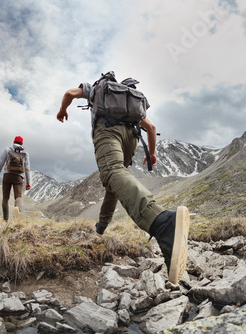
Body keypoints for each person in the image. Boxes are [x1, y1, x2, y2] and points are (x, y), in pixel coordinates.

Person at [56, 74, 190, 284]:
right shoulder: (129, 105)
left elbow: (69, 93)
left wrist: (62, 109)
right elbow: (152, 128)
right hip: (131, 138)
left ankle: (162, 222)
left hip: (108, 131)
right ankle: (101, 227)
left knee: (111, 172)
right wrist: (152, 154)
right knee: (114, 183)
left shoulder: (97, 89)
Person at [0, 136, 31, 221]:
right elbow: (27, 168)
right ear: (22, 143)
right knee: (18, 196)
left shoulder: (7, 150)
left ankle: (5, 220)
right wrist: (28, 182)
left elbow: (0, 163)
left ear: (13, 142)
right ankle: (17, 210)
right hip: (19, 177)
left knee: (5, 198)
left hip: (7, 176)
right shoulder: (25, 154)